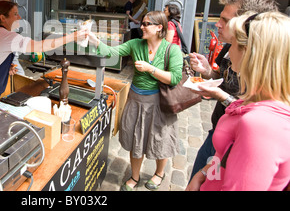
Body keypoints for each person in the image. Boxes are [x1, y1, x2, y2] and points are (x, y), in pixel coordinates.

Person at [187, 11, 290, 191]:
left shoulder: (260, 125)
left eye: (233, 42)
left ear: (250, 54)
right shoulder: (258, 102)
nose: (228, 49)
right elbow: (224, 155)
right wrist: (203, 174)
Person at [88, 11, 183, 191]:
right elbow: (111, 52)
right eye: (142, 23)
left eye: (146, 24)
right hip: (136, 100)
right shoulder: (135, 44)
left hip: (159, 103)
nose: (141, 27)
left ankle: (159, 173)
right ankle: (135, 176)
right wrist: (94, 40)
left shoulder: (172, 50)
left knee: (159, 139)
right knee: (136, 138)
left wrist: (150, 69)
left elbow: (175, 78)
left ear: (159, 27)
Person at [0, 0, 88, 115]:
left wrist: (3, 69)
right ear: (3, 18)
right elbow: (40, 47)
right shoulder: (6, 36)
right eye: (15, 14)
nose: (19, 17)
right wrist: (73, 37)